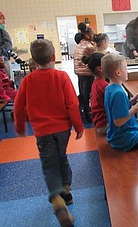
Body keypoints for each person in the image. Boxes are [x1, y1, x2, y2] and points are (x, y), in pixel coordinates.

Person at [14, 39, 84, 227]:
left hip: (42, 132)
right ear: (54, 57)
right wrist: (79, 126)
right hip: (63, 130)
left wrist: (20, 127)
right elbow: (72, 104)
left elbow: (19, 107)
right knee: (62, 157)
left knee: (49, 165)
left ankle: (58, 199)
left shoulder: (28, 80)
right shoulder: (61, 77)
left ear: (34, 61)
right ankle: (67, 191)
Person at [73, 26, 96, 123]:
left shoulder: (79, 44)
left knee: (83, 93)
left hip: (79, 72)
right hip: (87, 73)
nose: (94, 35)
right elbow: (96, 55)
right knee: (87, 95)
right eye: (93, 34)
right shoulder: (88, 46)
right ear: (87, 35)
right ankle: (87, 115)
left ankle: (83, 113)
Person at [88, 52, 109, 135]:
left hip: (99, 124)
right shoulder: (104, 86)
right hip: (104, 126)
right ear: (100, 69)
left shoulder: (96, 82)